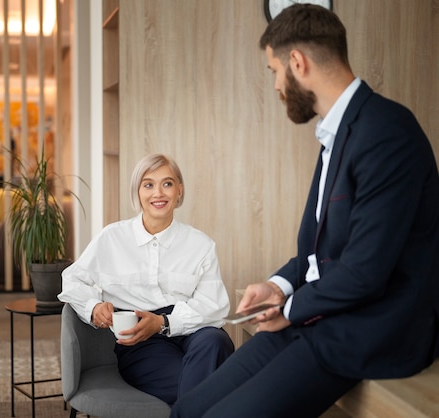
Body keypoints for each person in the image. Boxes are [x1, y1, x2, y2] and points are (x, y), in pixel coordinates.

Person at [171, 4, 439, 418]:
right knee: (187, 410)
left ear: (297, 62)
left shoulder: (387, 133)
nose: (277, 85)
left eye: (274, 70)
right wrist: (279, 287)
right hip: (316, 317)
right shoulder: (336, 132)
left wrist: (290, 308)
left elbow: (364, 272)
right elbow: (317, 252)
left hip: (365, 330)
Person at [58, 153, 235, 405]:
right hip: (139, 339)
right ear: (137, 191)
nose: (158, 193)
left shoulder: (201, 245)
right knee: (201, 383)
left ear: (179, 190)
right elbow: (71, 280)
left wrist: (164, 322)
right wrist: (93, 307)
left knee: (215, 340)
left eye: (167, 183)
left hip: (191, 328)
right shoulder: (112, 238)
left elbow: (214, 306)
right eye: (148, 184)